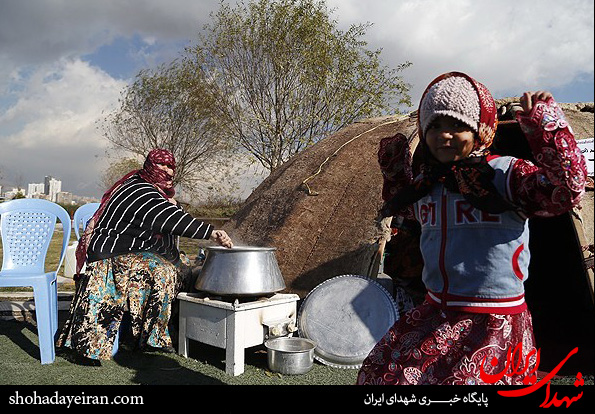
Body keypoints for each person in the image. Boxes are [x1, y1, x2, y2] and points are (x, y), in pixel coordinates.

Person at [357, 72, 587, 385]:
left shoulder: (505, 176)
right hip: (436, 312)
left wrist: (547, 129)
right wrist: (396, 172)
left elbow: (566, 189)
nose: (444, 135)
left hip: (493, 319)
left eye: (457, 124)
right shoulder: (428, 184)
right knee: (381, 376)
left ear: (481, 128)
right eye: (434, 125)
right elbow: (407, 211)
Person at [57, 149, 233, 361]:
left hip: (131, 249)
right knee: (165, 271)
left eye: (171, 167)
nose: (168, 171)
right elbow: (166, 217)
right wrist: (211, 232)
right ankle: (152, 336)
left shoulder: (152, 190)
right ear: (150, 165)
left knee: (183, 265)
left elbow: (169, 214)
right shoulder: (139, 190)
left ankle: (156, 331)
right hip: (112, 253)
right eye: (162, 165)